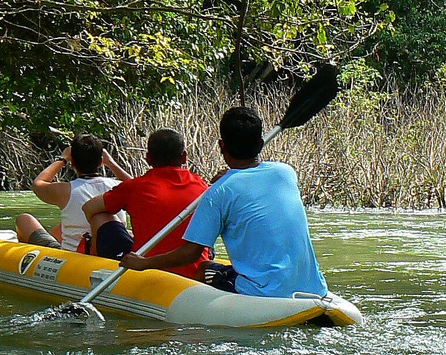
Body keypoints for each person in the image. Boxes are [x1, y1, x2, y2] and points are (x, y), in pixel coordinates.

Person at [117, 106, 329, 299]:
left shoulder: (217, 193)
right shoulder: (286, 172)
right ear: (260, 143)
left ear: (221, 146)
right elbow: (252, 180)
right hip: (314, 288)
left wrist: (145, 263)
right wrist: (232, 177)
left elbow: (189, 254)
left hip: (262, 293)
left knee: (204, 268)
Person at [79, 128, 212, 278]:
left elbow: (88, 207)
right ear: (184, 158)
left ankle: (96, 264)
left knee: (100, 217)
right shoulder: (203, 187)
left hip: (145, 267)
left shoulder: (135, 187)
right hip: (194, 271)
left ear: (148, 158)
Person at [14, 133, 126, 253]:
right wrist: (111, 163)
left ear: (72, 162)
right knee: (62, 226)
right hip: (108, 252)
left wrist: (62, 159)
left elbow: (38, 184)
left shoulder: (65, 190)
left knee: (24, 219)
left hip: (72, 257)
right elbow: (137, 185)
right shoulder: (118, 186)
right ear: (100, 162)